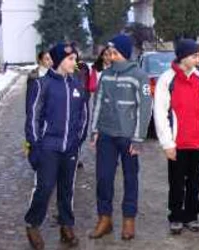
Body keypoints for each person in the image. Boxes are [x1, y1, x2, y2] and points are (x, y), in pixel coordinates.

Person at [24, 42, 88, 250]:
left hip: (70, 147)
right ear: (59, 60)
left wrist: (78, 139)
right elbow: (33, 117)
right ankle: (33, 224)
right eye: (70, 59)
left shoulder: (77, 85)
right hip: (48, 146)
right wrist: (35, 146)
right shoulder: (42, 84)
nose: (74, 62)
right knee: (44, 187)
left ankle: (66, 225)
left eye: (75, 59)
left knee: (67, 189)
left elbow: (83, 115)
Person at [89, 34, 152, 241]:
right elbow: (97, 103)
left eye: (114, 52)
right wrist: (95, 130)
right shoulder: (105, 76)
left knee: (130, 179)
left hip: (128, 138)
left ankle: (128, 220)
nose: (110, 56)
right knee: (104, 178)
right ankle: (104, 219)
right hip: (107, 135)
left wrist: (138, 138)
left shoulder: (139, 75)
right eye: (109, 53)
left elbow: (145, 108)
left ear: (124, 54)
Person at [153, 38, 199, 235]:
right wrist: (167, 143)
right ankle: (175, 215)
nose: (198, 58)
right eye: (194, 55)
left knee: (194, 181)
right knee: (176, 181)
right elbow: (160, 112)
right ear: (183, 57)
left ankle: (191, 215)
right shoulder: (167, 79)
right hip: (177, 143)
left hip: (198, 142)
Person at [24, 51, 53, 160]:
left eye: (50, 59)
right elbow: (29, 100)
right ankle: (31, 152)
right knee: (33, 135)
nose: (50, 61)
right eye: (47, 59)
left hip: (48, 114)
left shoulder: (53, 75)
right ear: (40, 61)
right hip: (37, 113)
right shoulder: (34, 77)